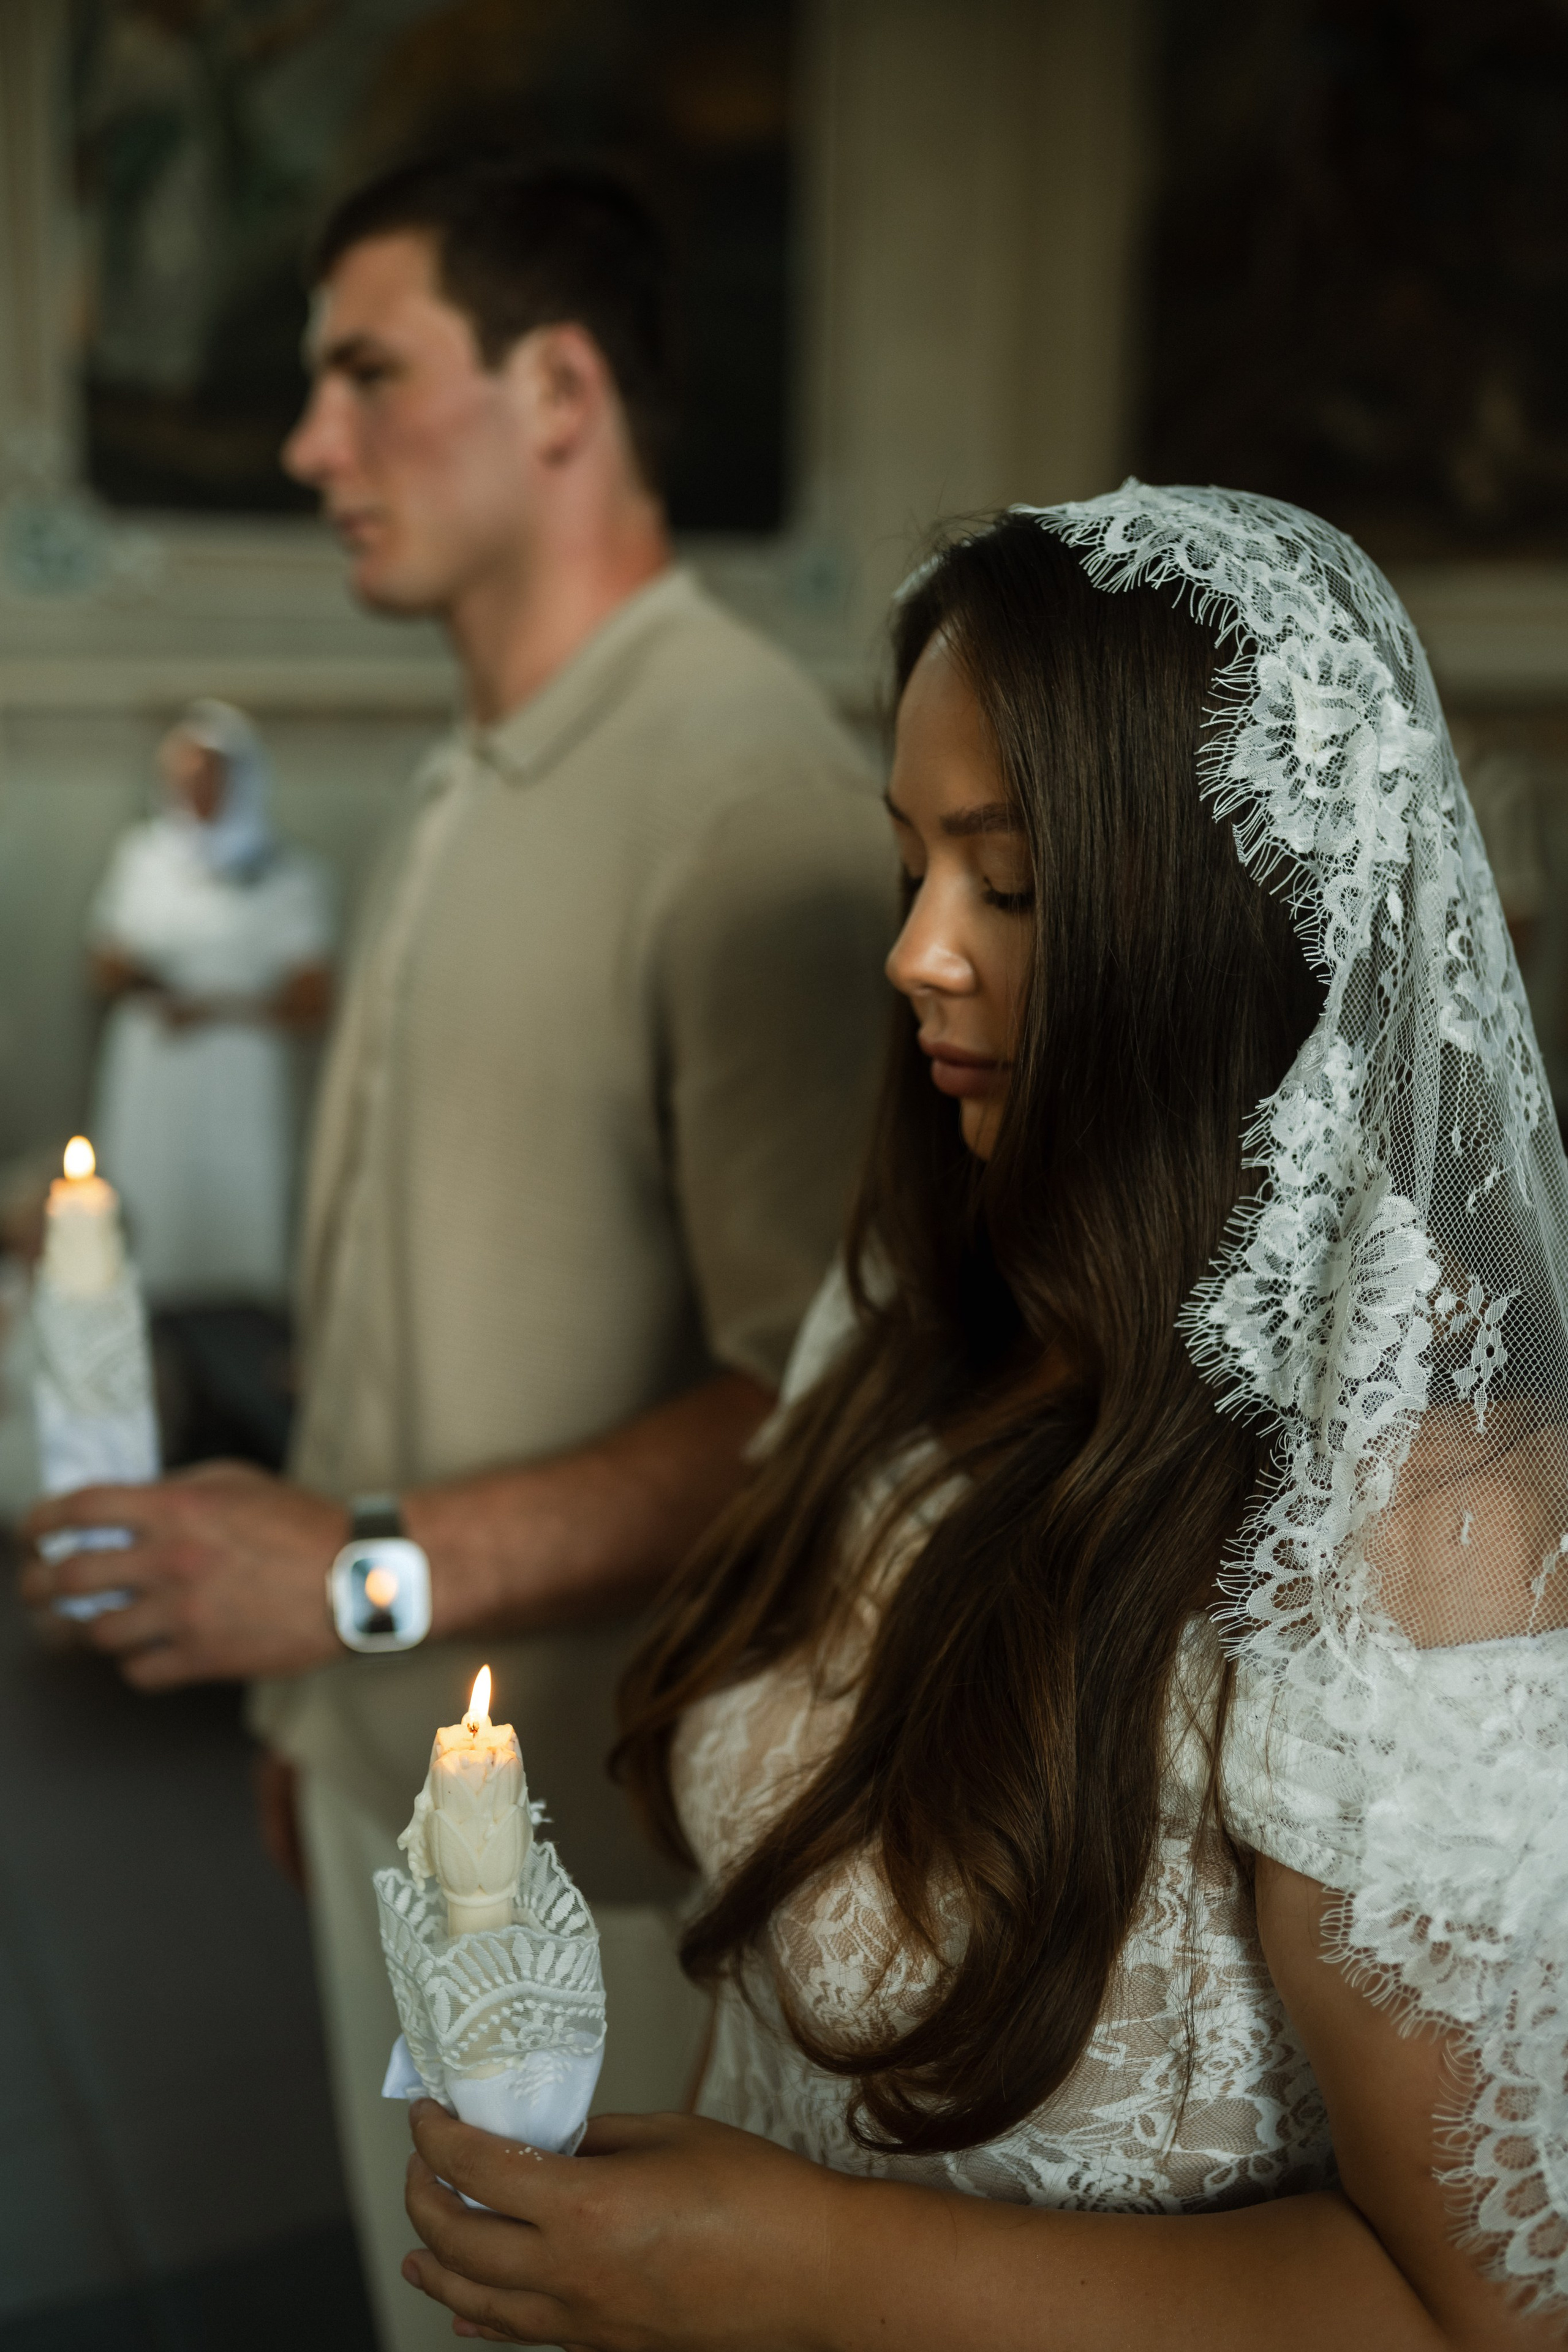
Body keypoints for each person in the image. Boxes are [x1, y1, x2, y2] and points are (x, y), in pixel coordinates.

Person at [394, 489, 1568, 2351]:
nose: (915, 952)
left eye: (1004, 884)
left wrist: (790, 2267)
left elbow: (1487, 2314)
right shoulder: (918, 1320)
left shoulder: (1419, 1528)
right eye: (909, 869)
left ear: (1217, 931)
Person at [23, 157, 894, 2351]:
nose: (309, 440)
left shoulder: (741, 789)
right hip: (399, 1770)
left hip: (604, 1847)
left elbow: (824, 1402)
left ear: (559, 390)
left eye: (366, 372)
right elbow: (393, 1301)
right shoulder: (467, 765)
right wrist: (316, 1706)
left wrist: (357, 1581)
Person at [88, 698, 333, 1311]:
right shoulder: (143, 860)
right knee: (148, 1219)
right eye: (183, 780)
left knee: (232, 1227)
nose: (195, 794)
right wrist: (159, 990)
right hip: (153, 1073)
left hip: (236, 1077)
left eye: (210, 778)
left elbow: (312, 1000)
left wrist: (217, 1009)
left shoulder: (287, 876)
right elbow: (105, 962)